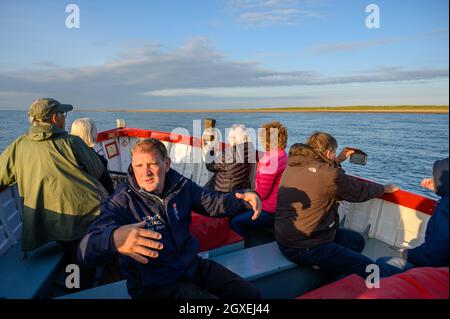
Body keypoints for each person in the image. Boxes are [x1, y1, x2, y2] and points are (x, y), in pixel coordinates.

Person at [78, 138, 263, 299]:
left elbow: (212, 203)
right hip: (155, 285)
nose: (145, 172)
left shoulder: (180, 185)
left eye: (152, 164)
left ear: (166, 164)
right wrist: (112, 238)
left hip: (191, 265)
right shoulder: (122, 201)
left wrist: (242, 198)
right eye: (138, 166)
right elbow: (87, 246)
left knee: (250, 295)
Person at [0, 98, 107, 288]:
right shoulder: (72, 142)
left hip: (42, 222)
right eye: (64, 115)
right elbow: (97, 170)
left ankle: (72, 282)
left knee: (72, 255)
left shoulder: (18, 145)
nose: (65, 118)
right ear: (56, 118)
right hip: (82, 218)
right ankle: (78, 288)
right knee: (80, 258)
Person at [275, 132, 399, 279]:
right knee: (372, 269)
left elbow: (320, 174)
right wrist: (383, 189)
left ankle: (331, 272)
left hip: (287, 238)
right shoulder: (328, 174)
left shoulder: (295, 163)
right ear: (328, 152)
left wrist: (338, 160)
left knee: (356, 241)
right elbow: (356, 191)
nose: (334, 156)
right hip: (306, 246)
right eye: (334, 153)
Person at [376, 157, 449, 277]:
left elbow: (434, 254)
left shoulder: (446, 208)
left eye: (438, 177)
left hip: (439, 275)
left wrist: (408, 254)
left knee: (382, 264)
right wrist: (439, 187)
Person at [230, 121, 288, 245]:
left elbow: (261, 194)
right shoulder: (283, 155)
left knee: (234, 221)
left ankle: (244, 248)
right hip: (278, 207)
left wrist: (243, 197)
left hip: (268, 210)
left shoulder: (271, 160)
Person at [71, 118, 115, 195]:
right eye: (95, 129)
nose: (97, 131)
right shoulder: (95, 159)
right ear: (89, 133)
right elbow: (106, 185)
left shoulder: (72, 154)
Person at [205, 124, 254, 193]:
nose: (228, 139)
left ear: (234, 138)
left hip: (224, 191)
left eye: (230, 137)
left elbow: (210, 166)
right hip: (242, 189)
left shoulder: (228, 154)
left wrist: (210, 152)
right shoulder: (251, 149)